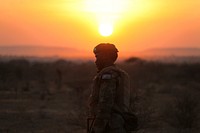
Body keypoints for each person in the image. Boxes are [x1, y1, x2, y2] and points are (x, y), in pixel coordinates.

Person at [88, 43, 131, 133]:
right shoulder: (120, 74)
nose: (96, 61)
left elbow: (105, 103)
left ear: (105, 57)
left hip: (109, 125)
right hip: (119, 123)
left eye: (97, 57)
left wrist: (97, 128)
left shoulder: (108, 75)